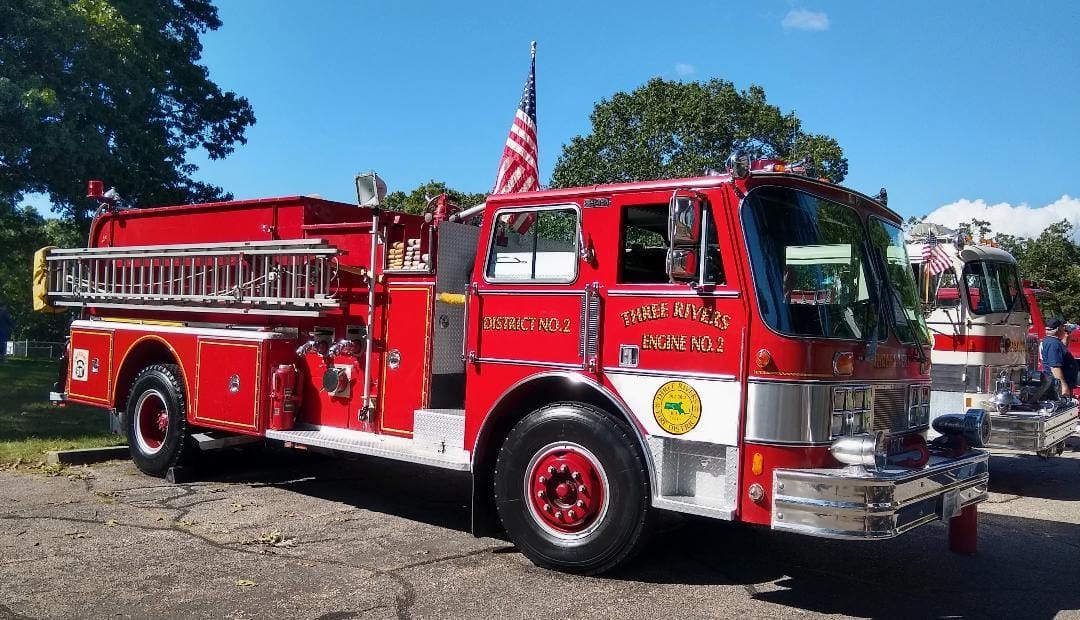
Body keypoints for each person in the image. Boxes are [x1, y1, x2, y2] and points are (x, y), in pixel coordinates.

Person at [1041, 318, 1078, 397]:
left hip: (1057, 383)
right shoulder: (1053, 344)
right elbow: (1055, 367)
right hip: (1057, 385)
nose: (1064, 328)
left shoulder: (1052, 341)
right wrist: (1063, 386)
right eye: (1063, 327)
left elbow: (1062, 350)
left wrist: (1067, 335)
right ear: (1058, 329)